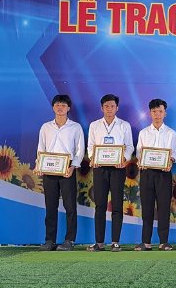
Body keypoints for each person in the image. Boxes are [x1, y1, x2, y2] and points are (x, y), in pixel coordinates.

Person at [86, 94, 134, 252]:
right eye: (106, 106)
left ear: (117, 108)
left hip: (118, 169)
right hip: (100, 168)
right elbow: (91, 146)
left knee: (117, 204)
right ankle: (99, 242)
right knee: (100, 204)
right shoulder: (94, 125)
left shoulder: (124, 125)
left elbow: (129, 147)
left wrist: (124, 159)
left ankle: (115, 241)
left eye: (112, 106)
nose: (109, 109)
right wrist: (93, 158)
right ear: (102, 108)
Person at [36, 94, 85, 251]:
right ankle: (49, 240)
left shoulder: (75, 127)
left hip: (67, 169)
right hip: (49, 168)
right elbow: (41, 149)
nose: (60, 107)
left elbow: (80, 149)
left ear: (68, 108)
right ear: (53, 107)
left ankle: (69, 240)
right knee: (50, 206)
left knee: (70, 206)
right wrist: (39, 165)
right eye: (57, 105)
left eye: (63, 105)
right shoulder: (45, 127)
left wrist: (73, 166)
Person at [135, 99, 176, 251]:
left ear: (164, 113)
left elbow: (174, 154)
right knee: (146, 207)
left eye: (160, 111)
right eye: (154, 111)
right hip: (146, 173)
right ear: (149, 113)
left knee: (164, 207)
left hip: (164, 174)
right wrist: (140, 161)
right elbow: (139, 153)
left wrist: (170, 161)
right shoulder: (143, 133)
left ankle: (164, 241)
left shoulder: (171, 133)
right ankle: (145, 241)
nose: (157, 114)